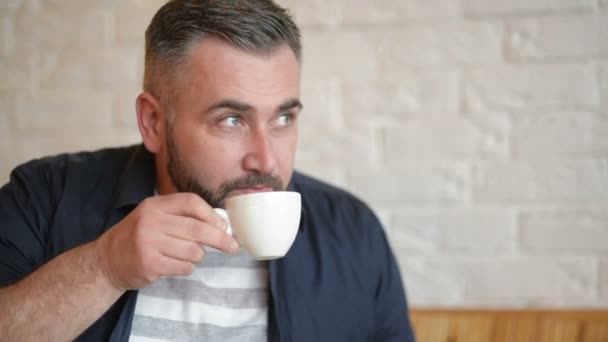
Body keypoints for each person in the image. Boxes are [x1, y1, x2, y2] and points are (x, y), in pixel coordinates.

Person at [0, 0, 416, 341]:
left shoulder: (352, 232)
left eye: (283, 119)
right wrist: (104, 267)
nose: (266, 160)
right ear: (154, 122)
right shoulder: (43, 196)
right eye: (232, 120)